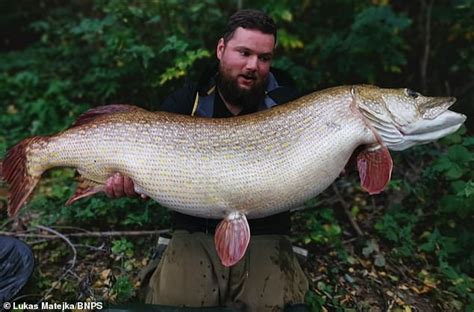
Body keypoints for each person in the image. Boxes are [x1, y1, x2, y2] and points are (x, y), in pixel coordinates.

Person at [106, 9, 309, 311]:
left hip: (267, 232)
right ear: (221, 49)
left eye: (264, 58)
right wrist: (124, 181)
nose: (253, 65)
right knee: (174, 304)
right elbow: (149, 174)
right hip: (194, 231)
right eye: (244, 52)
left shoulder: (291, 106)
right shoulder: (185, 103)